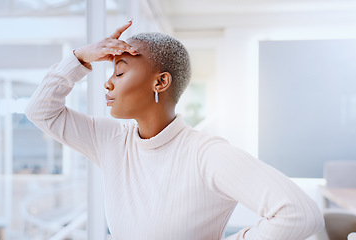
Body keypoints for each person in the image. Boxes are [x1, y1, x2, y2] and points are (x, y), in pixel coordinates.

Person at [25, 20, 324, 240]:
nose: (108, 82)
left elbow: (299, 213)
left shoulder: (206, 155)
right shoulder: (111, 141)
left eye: (120, 71)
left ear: (160, 82)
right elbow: (41, 110)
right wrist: (79, 58)